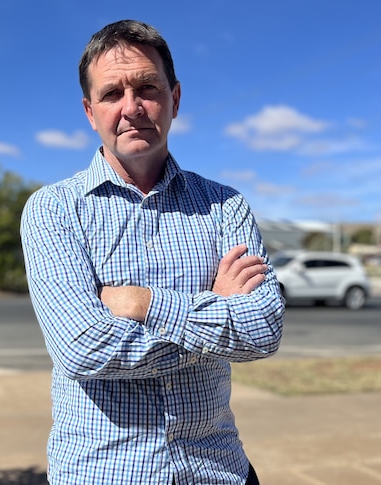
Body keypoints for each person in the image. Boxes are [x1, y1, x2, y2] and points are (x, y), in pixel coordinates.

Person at [20, 19, 285, 485]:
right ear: (89, 111)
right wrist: (215, 314)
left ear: (175, 98)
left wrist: (144, 304)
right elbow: (82, 348)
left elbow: (263, 329)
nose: (131, 107)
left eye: (147, 87)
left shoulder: (225, 206)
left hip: (219, 470)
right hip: (105, 473)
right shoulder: (53, 210)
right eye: (111, 94)